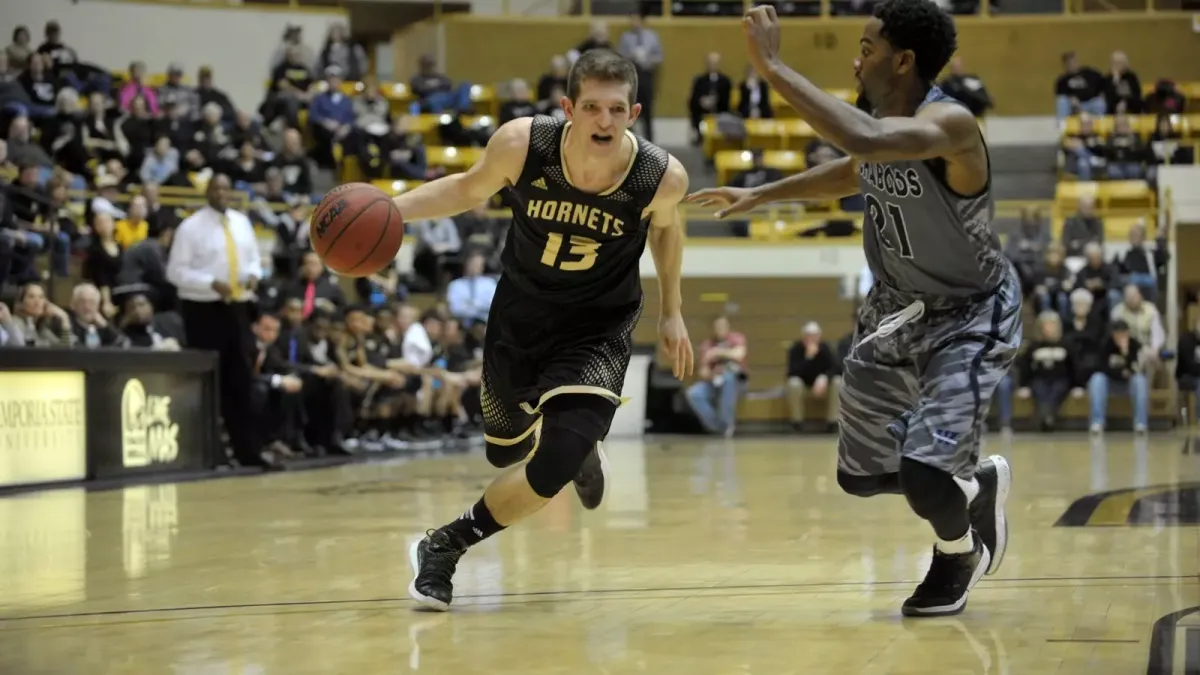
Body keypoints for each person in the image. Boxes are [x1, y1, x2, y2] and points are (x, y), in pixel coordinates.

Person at [687, 1, 1020, 618]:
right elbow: (854, 167)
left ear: (903, 59)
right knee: (861, 477)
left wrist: (773, 66)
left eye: (866, 47)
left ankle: (957, 554)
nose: (855, 59)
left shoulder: (948, 124)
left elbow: (863, 140)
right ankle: (973, 484)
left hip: (971, 314)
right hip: (897, 311)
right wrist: (761, 194)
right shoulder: (884, 132)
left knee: (923, 475)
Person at [391, 48, 693, 611]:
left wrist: (673, 309)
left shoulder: (660, 176)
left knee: (552, 459)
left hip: (598, 325)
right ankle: (574, 449)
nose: (605, 121)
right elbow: (466, 189)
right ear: (568, 108)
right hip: (522, 315)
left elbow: (668, 231)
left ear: (635, 111)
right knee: (507, 454)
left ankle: (444, 545)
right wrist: (391, 210)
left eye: (617, 109)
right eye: (593, 108)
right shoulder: (523, 144)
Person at [167, 174, 279, 470]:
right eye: (215, 188)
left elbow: (254, 259)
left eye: (225, 187)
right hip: (203, 310)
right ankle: (212, 452)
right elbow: (175, 272)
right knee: (209, 383)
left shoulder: (241, 222)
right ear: (207, 191)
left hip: (239, 309)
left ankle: (248, 451)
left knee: (241, 382)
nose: (221, 192)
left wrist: (254, 274)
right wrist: (209, 282)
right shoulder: (190, 227)